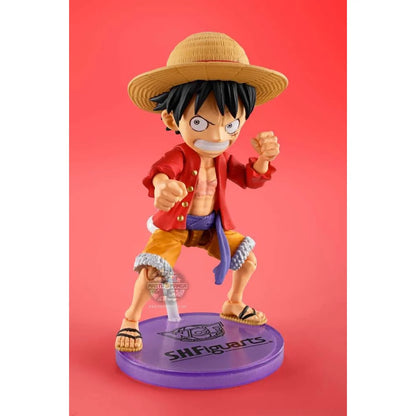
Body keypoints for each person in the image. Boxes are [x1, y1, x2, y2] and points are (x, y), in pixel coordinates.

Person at [116, 32, 288, 352]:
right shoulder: (180, 155)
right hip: (174, 228)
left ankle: (233, 302)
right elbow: (161, 172)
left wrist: (264, 160)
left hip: (213, 229)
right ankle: (131, 319)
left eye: (231, 125)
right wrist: (163, 187)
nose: (218, 135)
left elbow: (248, 178)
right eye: (199, 123)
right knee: (152, 269)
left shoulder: (223, 158)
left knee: (247, 260)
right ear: (171, 118)